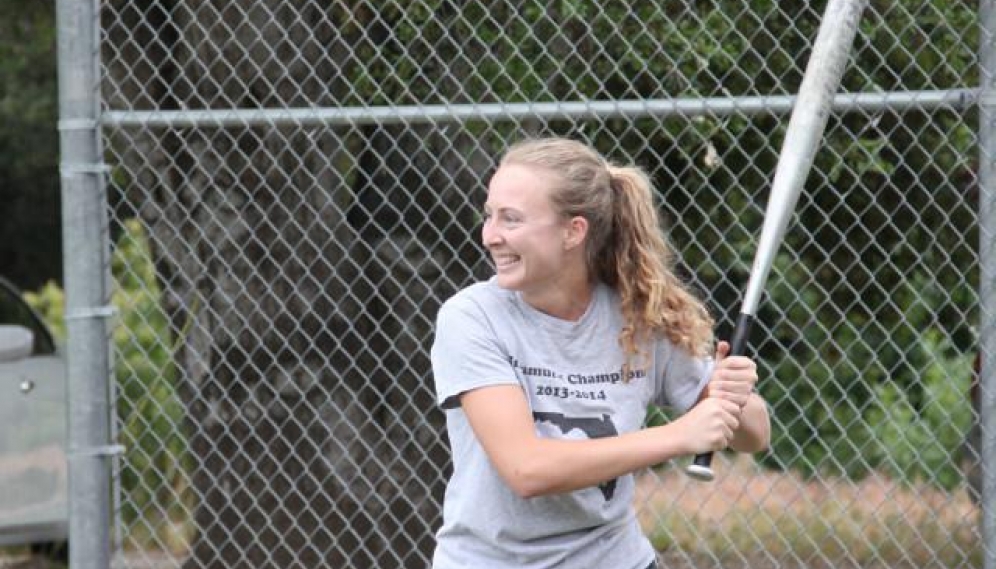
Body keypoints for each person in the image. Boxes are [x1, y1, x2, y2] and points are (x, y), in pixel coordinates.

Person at [429, 136, 770, 569]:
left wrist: (732, 397)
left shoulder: (636, 313)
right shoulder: (472, 318)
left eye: (510, 220)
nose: (490, 235)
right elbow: (526, 469)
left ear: (574, 231)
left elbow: (755, 434)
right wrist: (679, 435)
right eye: (489, 216)